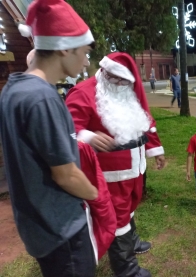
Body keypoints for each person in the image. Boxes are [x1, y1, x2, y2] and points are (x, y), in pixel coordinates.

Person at [0, 1, 98, 276]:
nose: (85, 61)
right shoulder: (42, 97)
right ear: (65, 47)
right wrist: (96, 195)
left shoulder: (14, 88)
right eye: (84, 51)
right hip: (61, 229)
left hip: (38, 227)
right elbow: (65, 175)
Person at [66, 52, 165, 277]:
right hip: (110, 173)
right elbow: (66, 130)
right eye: (116, 79)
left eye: (124, 80)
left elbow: (146, 121)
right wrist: (88, 137)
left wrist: (155, 150)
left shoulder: (128, 90)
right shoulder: (83, 93)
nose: (120, 84)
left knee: (130, 207)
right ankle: (126, 269)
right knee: (119, 216)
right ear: (105, 71)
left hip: (136, 167)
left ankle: (131, 241)